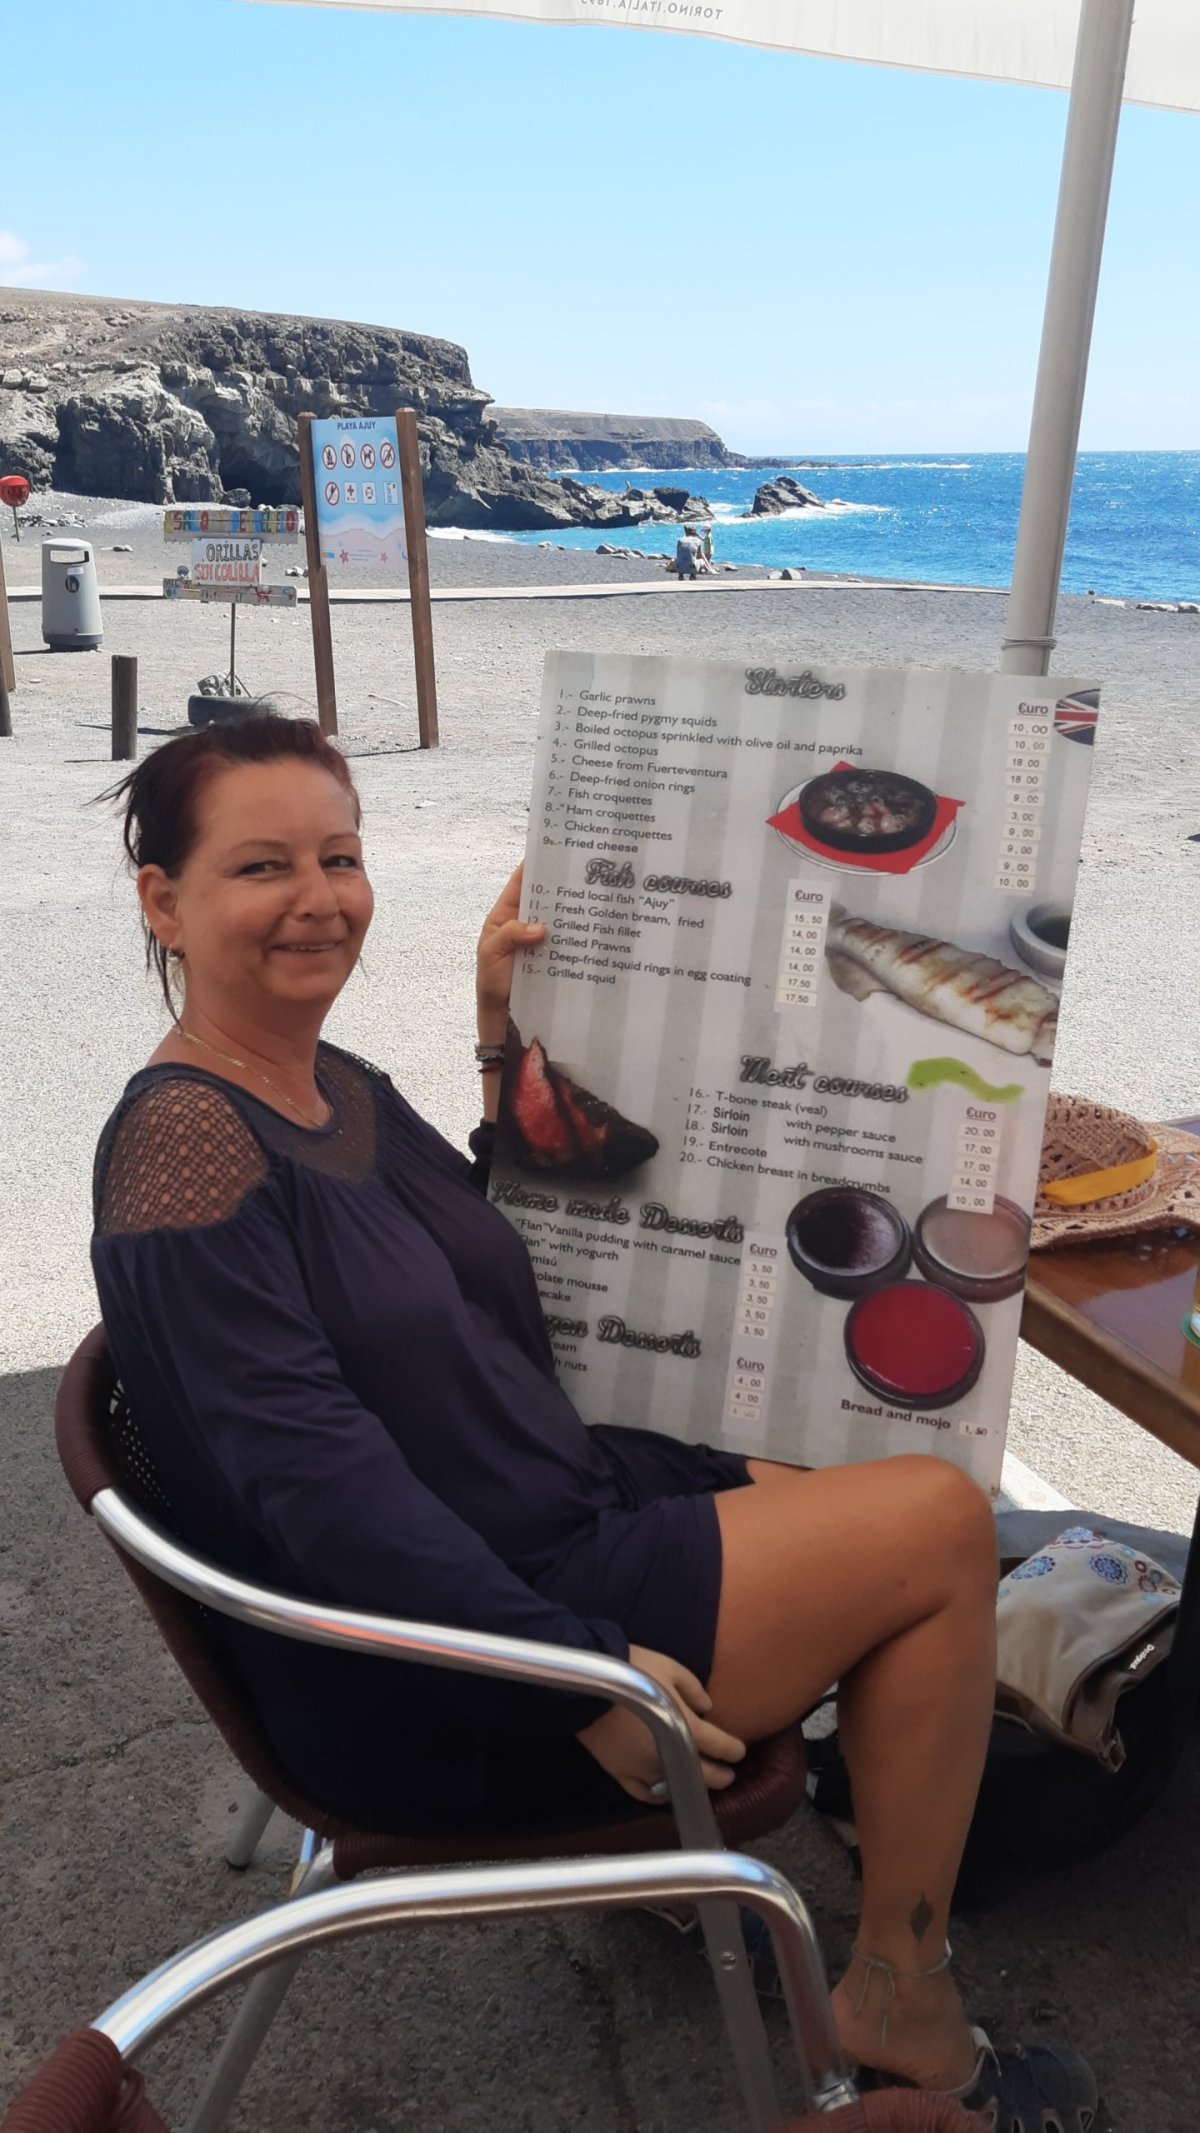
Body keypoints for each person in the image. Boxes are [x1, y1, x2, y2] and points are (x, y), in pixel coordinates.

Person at [90, 715, 1096, 2130]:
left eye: (340, 857)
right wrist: (566, 1678)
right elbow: (316, 1497)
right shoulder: (185, 1146)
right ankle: (901, 1996)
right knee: (934, 1527)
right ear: (164, 902)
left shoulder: (329, 1080)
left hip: (534, 1513)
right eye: (263, 866)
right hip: (448, 1663)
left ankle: (743, 1864)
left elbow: (472, 1251)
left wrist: (496, 1036)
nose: (319, 898)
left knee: (876, 1460)